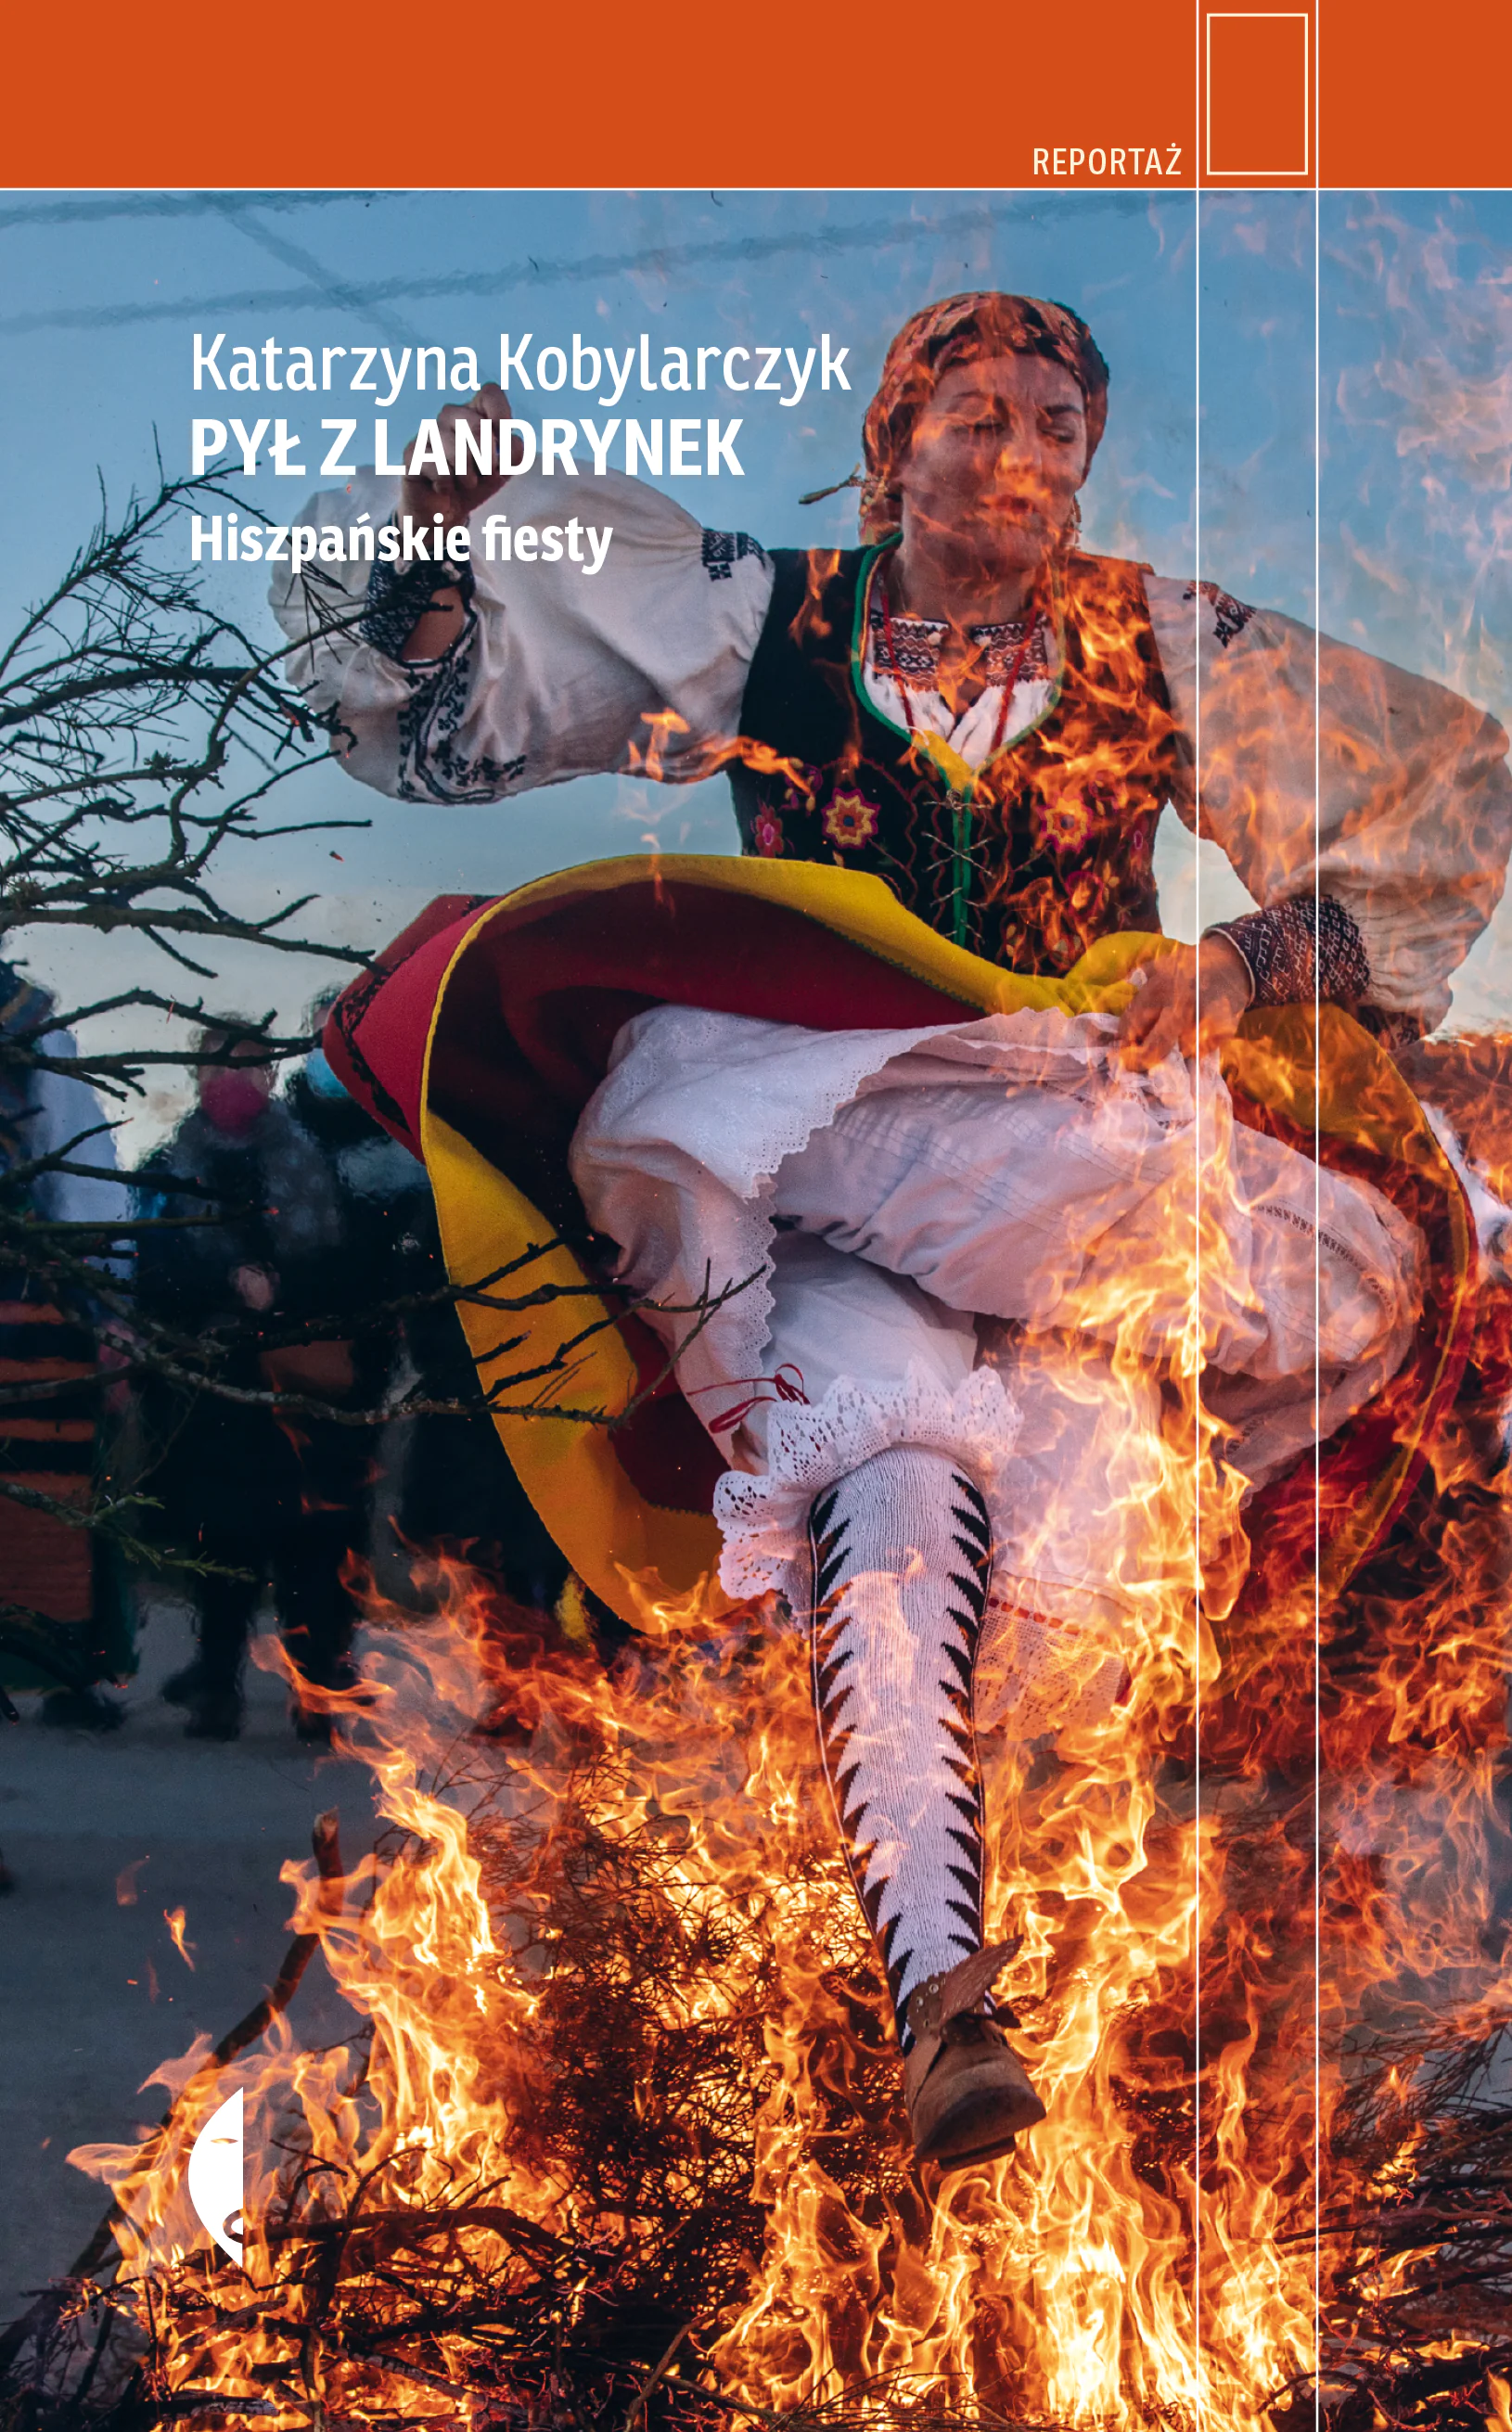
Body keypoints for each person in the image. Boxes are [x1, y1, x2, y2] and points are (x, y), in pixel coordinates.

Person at [273, 292, 1512, 2170]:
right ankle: (939, 2000)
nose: (1017, 452)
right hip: (822, 1157)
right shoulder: (761, 615)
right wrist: (433, 553)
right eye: (975, 413)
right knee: (893, 1496)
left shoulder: (1156, 640)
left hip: (1066, 1161)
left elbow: (1440, 816)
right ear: (891, 438)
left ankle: (1087, 2076)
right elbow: (442, 719)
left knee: (1119, 1515)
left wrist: (1244, 961)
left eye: (1054, 425)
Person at [132, 1027, 378, 1740]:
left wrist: (286, 1290)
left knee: (314, 1539)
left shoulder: (313, 1162)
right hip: (213, 1387)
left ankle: (319, 1684)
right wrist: (222, 1284)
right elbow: (153, 1273)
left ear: (270, 1078)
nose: (235, 1083)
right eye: (220, 1068)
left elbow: (351, 1266)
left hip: (305, 1380)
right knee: (223, 1546)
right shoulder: (170, 1167)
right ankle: (216, 1684)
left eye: (249, 1069)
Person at [0, 947, 135, 1738]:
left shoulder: (33, 1025)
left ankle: (60, 1666)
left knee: (51, 1496)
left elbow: (84, 1175)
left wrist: (111, 1304)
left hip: (28, 1299)